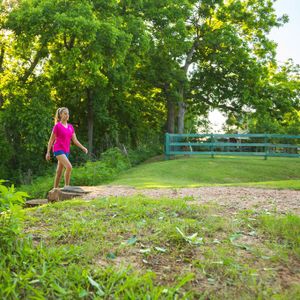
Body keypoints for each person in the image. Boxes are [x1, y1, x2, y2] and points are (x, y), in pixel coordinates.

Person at [45, 107, 88, 188]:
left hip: (66, 151)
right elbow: (51, 140)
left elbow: (75, 140)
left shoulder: (71, 127)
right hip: (58, 149)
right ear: (61, 115)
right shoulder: (57, 126)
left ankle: (55, 189)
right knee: (69, 167)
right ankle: (67, 186)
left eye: (68, 113)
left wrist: (83, 148)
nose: (67, 115)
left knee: (59, 171)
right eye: (65, 113)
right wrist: (48, 152)